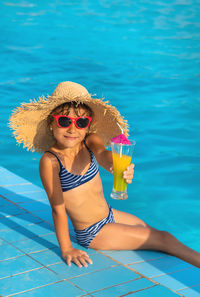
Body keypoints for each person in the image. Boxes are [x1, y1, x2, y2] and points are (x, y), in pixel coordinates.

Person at [9, 81, 200, 268]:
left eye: (81, 122)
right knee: (164, 239)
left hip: (109, 214)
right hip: (92, 231)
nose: (73, 129)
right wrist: (67, 248)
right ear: (52, 122)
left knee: (148, 229)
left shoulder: (90, 140)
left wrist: (116, 166)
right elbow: (57, 209)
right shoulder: (51, 161)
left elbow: (103, 155)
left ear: (88, 125)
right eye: (65, 121)